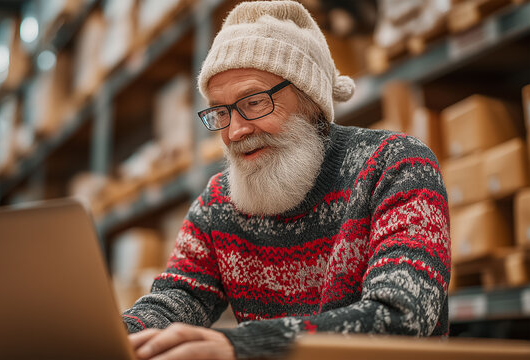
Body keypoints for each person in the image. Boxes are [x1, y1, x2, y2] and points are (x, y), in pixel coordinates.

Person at [122, 1, 451, 359]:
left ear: (310, 100)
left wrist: (241, 346)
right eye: (221, 111)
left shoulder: (396, 166)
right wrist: (117, 335)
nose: (235, 131)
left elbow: (403, 317)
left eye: (254, 102)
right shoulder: (218, 202)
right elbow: (178, 298)